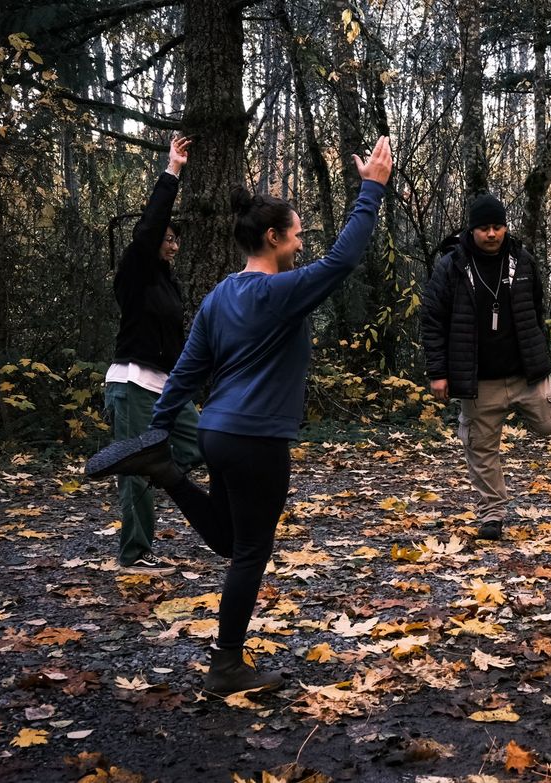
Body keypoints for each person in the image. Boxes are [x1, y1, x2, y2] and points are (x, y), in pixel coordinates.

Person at [87, 136, 393, 695]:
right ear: (273, 238)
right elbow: (346, 258)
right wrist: (371, 187)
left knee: (230, 541)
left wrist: (161, 424)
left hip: (217, 431)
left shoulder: (219, 296)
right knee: (250, 553)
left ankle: (165, 470)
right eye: (297, 234)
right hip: (256, 439)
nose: (301, 244)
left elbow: (185, 368)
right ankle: (227, 664)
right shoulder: (280, 294)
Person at [420, 193, 551, 541]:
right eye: (484, 228)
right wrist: (438, 373)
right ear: (471, 230)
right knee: (481, 449)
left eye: (497, 227)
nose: (491, 234)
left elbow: (536, 307)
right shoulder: (451, 267)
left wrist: (539, 355)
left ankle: (549, 396)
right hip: (478, 379)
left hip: (524, 373)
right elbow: (432, 319)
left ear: (505, 227)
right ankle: (493, 514)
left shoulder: (522, 261)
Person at [104, 135, 203, 576]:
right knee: (135, 468)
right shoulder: (135, 273)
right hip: (132, 384)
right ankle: (134, 555)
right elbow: (148, 227)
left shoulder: (168, 284)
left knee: (203, 444)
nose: (172, 244)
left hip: (166, 388)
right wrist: (173, 171)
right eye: (166, 237)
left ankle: (159, 475)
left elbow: (177, 342)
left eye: (176, 240)